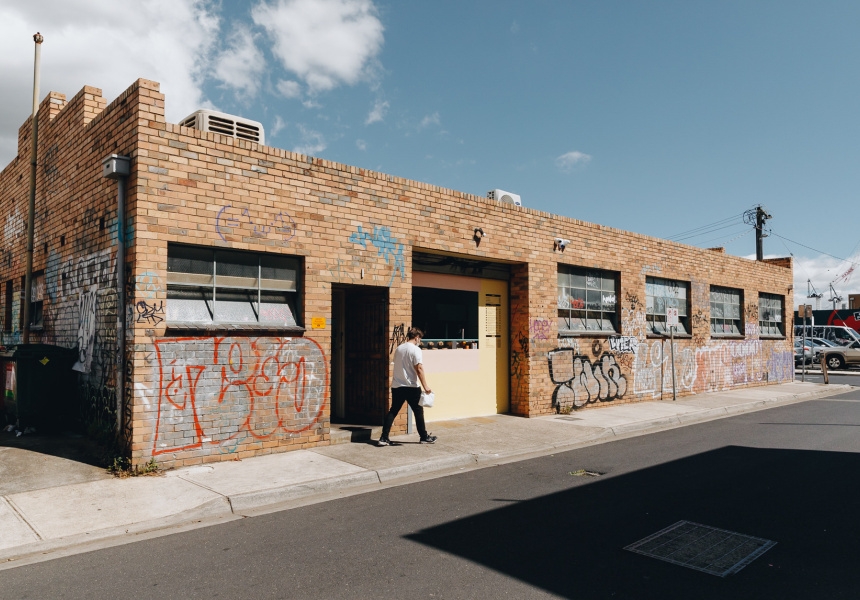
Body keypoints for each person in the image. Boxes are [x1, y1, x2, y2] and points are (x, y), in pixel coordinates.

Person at [377, 327, 437, 446]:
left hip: (397, 385)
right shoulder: (416, 350)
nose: (419, 341)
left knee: (393, 411)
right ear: (417, 337)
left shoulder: (399, 348)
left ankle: (384, 438)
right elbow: (419, 368)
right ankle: (424, 437)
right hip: (411, 386)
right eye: (419, 338)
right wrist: (426, 386)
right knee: (418, 411)